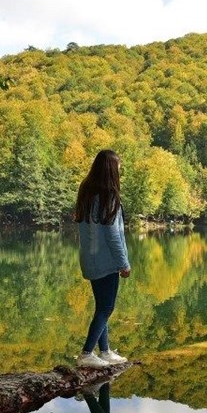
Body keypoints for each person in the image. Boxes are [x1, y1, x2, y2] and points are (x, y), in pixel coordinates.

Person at [74, 149, 131, 369]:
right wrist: (123, 263)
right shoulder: (109, 196)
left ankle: (105, 352)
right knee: (106, 308)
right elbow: (113, 235)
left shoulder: (86, 192)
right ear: (110, 170)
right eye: (118, 166)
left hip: (90, 258)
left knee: (101, 306)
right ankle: (87, 353)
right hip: (106, 261)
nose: (120, 170)